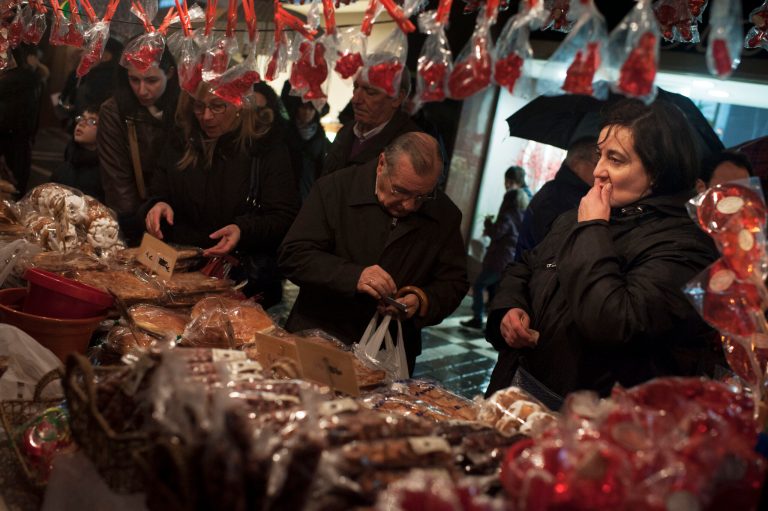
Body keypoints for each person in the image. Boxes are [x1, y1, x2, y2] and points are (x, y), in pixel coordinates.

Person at [485, 99, 723, 409]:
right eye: (600, 155)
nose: (598, 171)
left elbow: (615, 323)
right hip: (517, 391)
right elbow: (524, 267)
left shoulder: (686, 244)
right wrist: (509, 309)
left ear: (657, 171)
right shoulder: (581, 214)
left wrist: (593, 228)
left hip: (588, 425)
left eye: (616, 159)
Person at [278, 132, 469, 375]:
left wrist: (422, 300)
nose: (409, 205)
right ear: (382, 164)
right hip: (320, 334)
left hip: (388, 352)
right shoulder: (335, 189)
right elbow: (293, 254)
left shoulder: (444, 215)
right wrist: (354, 276)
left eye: (422, 196)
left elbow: (454, 282)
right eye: (400, 190)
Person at [142, 86, 299, 309]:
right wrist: (158, 204)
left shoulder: (265, 147)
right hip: (176, 276)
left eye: (217, 106)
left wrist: (243, 229)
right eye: (199, 106)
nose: (206, 116)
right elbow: (158, 189)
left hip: (237, 285)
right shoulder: (181, 139)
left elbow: (285, 216)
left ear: (239, 103)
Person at [97, 41, 179, 245]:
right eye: (134, 79)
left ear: (169, 73)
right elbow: (117, 181)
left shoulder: (184, 107)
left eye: (151, 80)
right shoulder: (114, 110)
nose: (142, 90)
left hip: (178, 215)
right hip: (134, 219)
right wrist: (137, 226)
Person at [461, 166, 529, 330]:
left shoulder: (507, 214)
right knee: (496, 291)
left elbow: (498, 232)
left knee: (478, 285)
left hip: (499, 258)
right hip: (509, 258)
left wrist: (488, 225)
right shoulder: (523, 212)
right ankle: (493, 323)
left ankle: (478, 318)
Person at [321, 64, 421, 176]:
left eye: (370, 92)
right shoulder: (346, 131)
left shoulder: (411, 148)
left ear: (397, 98)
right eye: (355, 87)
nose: (355, 99)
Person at [514, 137, 598, 261]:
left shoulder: (565, 193)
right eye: (596, 163)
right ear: (576, 162)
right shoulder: (556, 198)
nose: (601, 170)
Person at [0, 44, 45, 195]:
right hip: (21, 147)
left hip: (8, 148)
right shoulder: (31, 81)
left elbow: (6, 119)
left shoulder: (9, 85)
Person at [58, 37, 123, 129]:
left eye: (91, 51)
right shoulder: (90, 77)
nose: (83, 55)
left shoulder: (100, 83)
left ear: (105, 57)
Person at [281, 82, 331, 200]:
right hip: (287, 187)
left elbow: (321, 166)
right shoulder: (286, 131)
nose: (307, 112)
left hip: (309, 191)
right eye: (303, 107)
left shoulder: (320, 137)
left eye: (311, 109)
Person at [50, 106, 104, 201]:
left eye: (91, 121)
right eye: (81, 118)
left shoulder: (104, 171)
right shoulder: (69, 158)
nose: (81, 123)